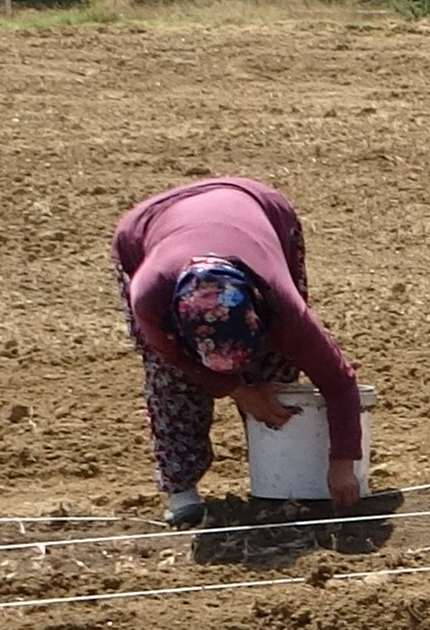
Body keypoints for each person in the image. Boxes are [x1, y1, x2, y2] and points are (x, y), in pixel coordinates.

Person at [110, 176, 366, 524]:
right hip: (148, 225)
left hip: (257, 205)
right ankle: (180, 487)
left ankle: (277, 474)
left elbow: (339, 382)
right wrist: (238, 390)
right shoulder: (150, 299)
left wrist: (343, 465)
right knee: (172, 378)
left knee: (276, 373)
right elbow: (172, 355)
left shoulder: (283, 308)